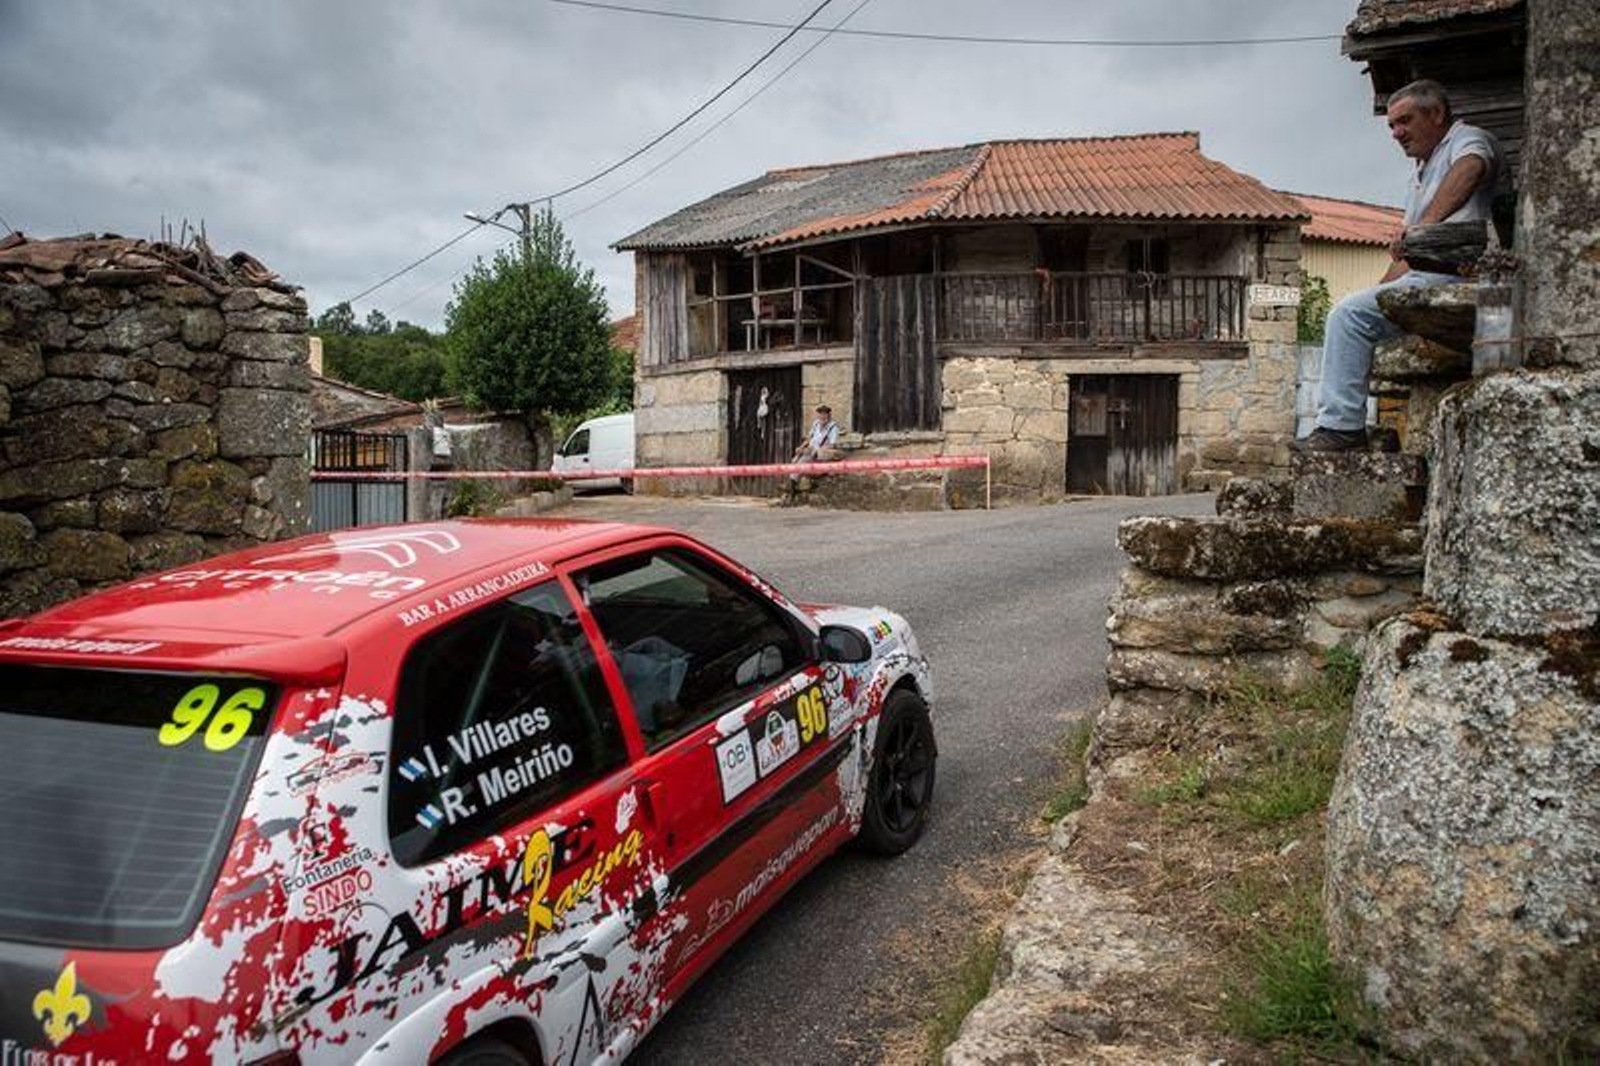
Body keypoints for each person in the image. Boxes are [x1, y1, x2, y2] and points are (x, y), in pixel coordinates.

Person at [1294, 79, 1502, 452]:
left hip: (1459, 275)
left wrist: (1424, 226)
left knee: (1348, 315)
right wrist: (1376, 293)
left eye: (1404, 121)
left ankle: (1342, 429)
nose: (1396, 133)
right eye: (1391, 125)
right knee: (1348, 313)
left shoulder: (1467, 140)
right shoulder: (1420, 172)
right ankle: (1342, 426)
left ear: (1436, 114)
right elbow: (1409, 257)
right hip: (1426, 274)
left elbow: (1471, 169)